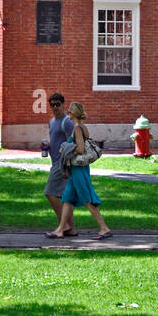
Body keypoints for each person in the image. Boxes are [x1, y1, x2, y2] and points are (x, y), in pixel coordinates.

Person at [47, 101, 113, 240]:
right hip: (77, 169)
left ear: (73, 113)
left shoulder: (77, 129)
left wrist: (65, 146)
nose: (68, 114)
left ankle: (104, 228)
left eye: (70, 112)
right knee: (67, 198)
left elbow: (80, 149)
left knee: (87, 198)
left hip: (79, 170)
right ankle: (60, 230)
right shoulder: (83, 127)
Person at [42, 93, 77, 236]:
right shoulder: (52, 122)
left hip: (62, 164)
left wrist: (67, 165)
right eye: (52, 105)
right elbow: (56, 142)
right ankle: (71, 229)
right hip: (54, 161)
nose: (55, 107)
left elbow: (73, 142)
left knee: (50, 193)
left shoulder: (67, 122)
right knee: (66, 198)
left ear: (63, 105)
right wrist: (47, 146)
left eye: (58, 104)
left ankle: (64, 227)